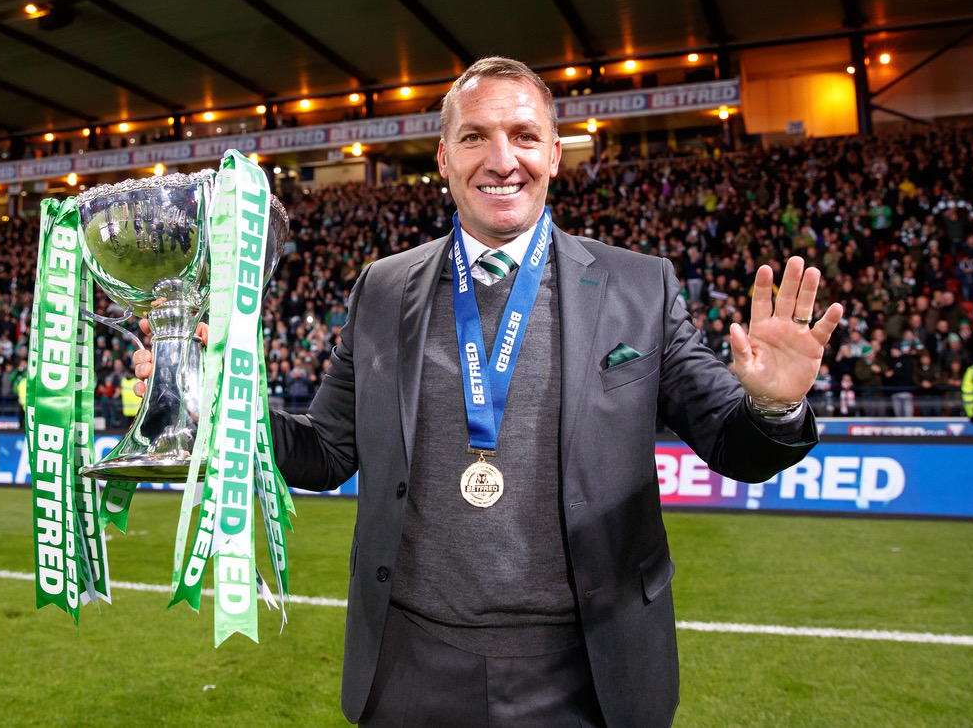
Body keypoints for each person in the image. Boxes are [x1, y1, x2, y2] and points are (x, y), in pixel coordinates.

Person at [134, 57, 843, 727]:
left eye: (524, 136)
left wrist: (774, 404)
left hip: (589, 672)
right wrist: (219, 406)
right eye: (475, 136)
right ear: (444, 158)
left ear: (555, 152)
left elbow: (730, 439)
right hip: (411, 665)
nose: (502, 159)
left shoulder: (639, 286)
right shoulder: (382, 288)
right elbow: (326, 451)